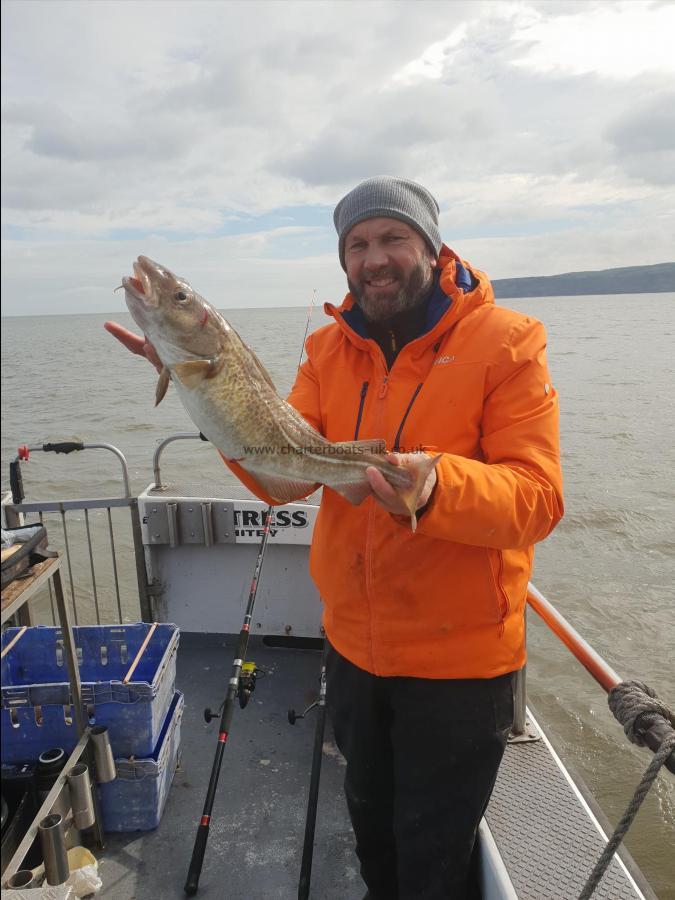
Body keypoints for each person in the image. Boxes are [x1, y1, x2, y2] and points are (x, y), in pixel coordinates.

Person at [106, 175, 564, 899]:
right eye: (356, 245)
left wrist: (438, 486)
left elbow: (536, 500)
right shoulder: (327, 349)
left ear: (430, 246)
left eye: (391, 238)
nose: (373, 258)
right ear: (343, 261)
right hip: (352, 648)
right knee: (373, 837)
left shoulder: (507, 342)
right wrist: (188, 381)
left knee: (433, 858)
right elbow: (284, 476)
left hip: (460, 663)